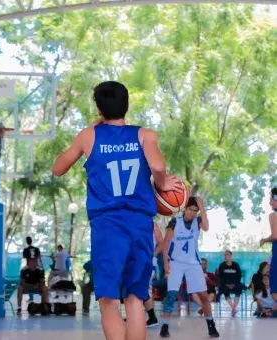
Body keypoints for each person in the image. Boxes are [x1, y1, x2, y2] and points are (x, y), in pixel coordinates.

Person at [53, 81, 181, 340]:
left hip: (108, 226)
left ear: (99, 109)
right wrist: (164, 181)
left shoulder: (89, 136)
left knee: (109, 300)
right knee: (135, 298)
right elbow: (157, 165)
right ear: (127, 105)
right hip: (139, 224)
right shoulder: (145, 135)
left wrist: (89, 129)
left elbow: (58, 168)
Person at [161, 196, 219, 338]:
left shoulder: (197, 221)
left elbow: (206, 227)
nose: (192, 213)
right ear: (185, 209)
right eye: (190, 209)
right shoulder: (175, 222)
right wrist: (166, 263)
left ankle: (211, 325)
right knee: (171, 295)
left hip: (193, 263)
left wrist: (202, 206)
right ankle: (165, 326)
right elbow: (166, 243)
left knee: (203, 295)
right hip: (176, 262)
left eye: (195, 210)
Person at [260, 187, 277, 309]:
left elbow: (275, 235)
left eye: (271, 199)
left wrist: (265, 240)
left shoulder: (273, 215)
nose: (270, 202)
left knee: (274, 291)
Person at [218, 250, 244, 316]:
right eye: (225, 255)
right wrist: (226, 284)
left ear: (231, 256)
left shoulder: (236, 265)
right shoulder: (221, 265)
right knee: (224, 289)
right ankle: (233, 308)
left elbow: (239, 275)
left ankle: (233, 309)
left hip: (235, 283)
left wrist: (234, 284)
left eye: (227, 254)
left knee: (239, 288)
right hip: (225, 284)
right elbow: (220, 277)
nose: (225, 256)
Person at [23, 236, 43, 302]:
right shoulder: (37, 249)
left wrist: (25, 268)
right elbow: (40, 258)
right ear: (31, 241)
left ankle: (31, 298)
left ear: (27, 241)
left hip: (29, 268)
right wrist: (41, 266)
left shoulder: (25, 250)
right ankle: (42, 294)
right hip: (36, 266)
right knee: (38, 281)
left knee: (29, 282)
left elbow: (25, 259)